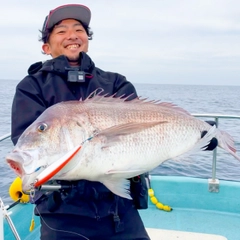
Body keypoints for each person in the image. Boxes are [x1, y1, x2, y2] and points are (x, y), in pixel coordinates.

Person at [11, 4, 150, 240]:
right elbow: (29, 141)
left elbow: (142, 130)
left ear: (86, 39)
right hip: (62, 212)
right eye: (61, 31)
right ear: (46, 46)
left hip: (119, 209)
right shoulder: (32, 86)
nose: (72, 35)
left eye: (79, 29)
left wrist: (198, 136)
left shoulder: (116, 83)